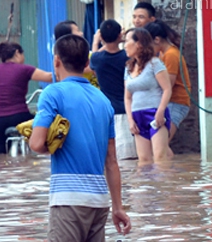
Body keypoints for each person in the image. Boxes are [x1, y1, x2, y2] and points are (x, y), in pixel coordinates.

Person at [28, 34, 131, 242]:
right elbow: (111, 161)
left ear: (56, 61)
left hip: (68, 199)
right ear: (87, 63)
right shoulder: (103, 100)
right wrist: (118, 207)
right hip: (99, 201)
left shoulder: (52, 93)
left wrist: (51, 144)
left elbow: (37, 144)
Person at [0, 42, 52, 154]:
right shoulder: (24, 69)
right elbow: (49, 77)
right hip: (20, 117)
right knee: (45, 129)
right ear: (17, 53)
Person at [89, 19, 137, 160]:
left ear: (102, 37)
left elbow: (93, 59)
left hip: (107, 112)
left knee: (112, 157)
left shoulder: (97, 59)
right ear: (120, 36)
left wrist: (96, 43)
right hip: (128, 110)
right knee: (132, 157)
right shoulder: (128, 58)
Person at [123, 28, 172, 164]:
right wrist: (130, 120)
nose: (125, 45)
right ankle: (147, 185)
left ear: (138, 43)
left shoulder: (154, 63)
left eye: (127, 41)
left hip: (155, 113)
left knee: (160, 157)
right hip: (137, 116)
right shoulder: (128, 67)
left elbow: (167, 89)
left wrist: (161, 111)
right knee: (144, 159)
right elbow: (127, 97)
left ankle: (166, 184)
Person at [145, 20, 191, 152]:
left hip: (176, 102)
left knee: (160, 148)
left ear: (157, 40)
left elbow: (168, 85)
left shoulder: (171, 55)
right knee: (161, 147)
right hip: (171, 102)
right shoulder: (163, 53)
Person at [54, 20, 98, 88]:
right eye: (77, 31)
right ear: (68, 37)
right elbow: (92, 67)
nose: (81, 33)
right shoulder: (67, 58)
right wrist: (96, 42)